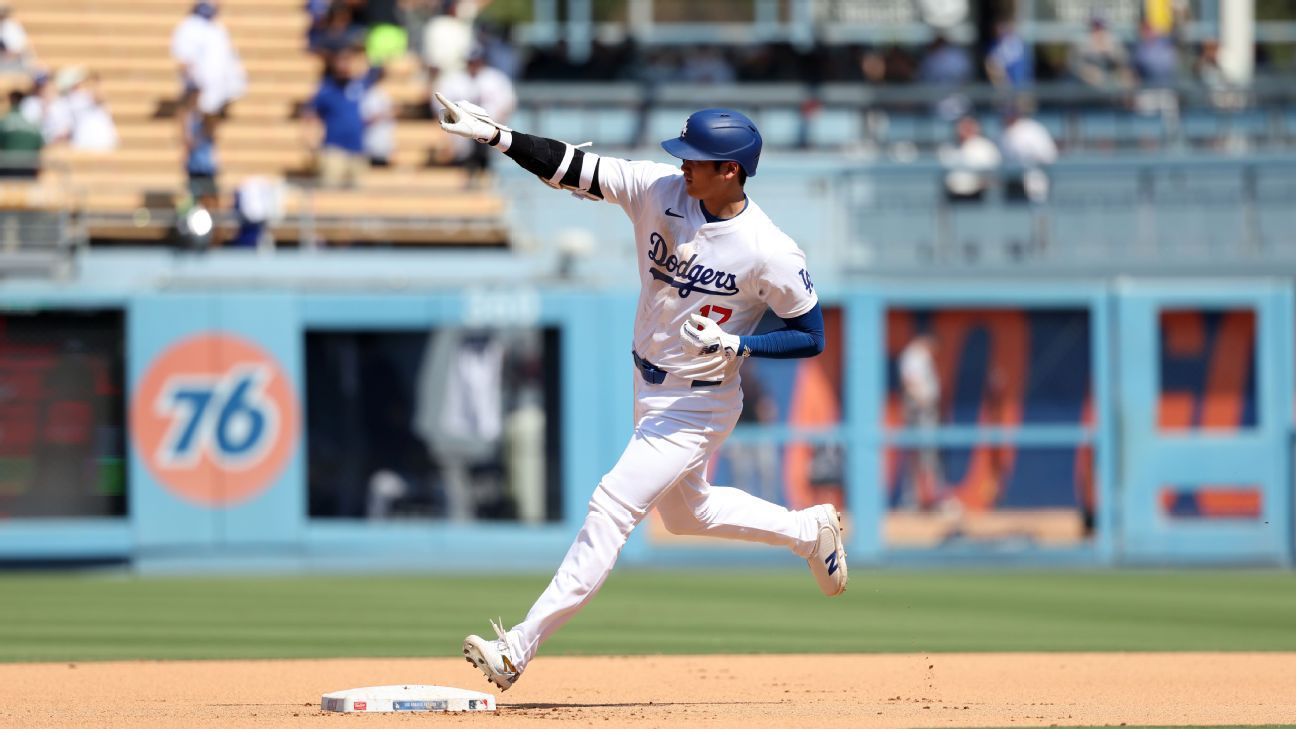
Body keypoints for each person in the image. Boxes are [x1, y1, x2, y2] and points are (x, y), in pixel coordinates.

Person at [435, 97, 848, 691]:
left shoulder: (769, 250)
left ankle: (517, 647)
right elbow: (571, 168)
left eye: (695, 159)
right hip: (649, 384)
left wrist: (739, 346)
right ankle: (810, 533)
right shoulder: (658, 190)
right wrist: (499, 136)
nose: (682, 165)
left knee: (611, 507)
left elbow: (812, 335)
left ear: (729, 170)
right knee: (688, 513)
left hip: (700, 401)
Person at [303, 44, 379, 187]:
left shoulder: (360, 85)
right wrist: (310, 141)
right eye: (342, 61)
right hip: (334, 150)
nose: (345, 65)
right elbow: (310, 115)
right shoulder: (327, 89)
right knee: (330, 192)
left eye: (348, 60)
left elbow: (378, 69)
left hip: (358, 150)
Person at [435, 45, 515, 181]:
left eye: (476, 61)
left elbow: (508, 103)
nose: (473, 65)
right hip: (461, 131)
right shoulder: (453, 80)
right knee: (464, 157)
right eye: (470, 61)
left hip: (490, 128)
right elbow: (438, 105)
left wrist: (498, 125)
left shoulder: (495, 78)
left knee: (488, 160)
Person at [898, 334, 943, 511]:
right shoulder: (914, 355)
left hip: (925, 411)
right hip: (920, 412)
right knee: (922, 457)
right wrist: (923, 402)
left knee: (928, 456)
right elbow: (910, 383)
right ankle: (915, 500)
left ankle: (929, 498)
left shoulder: (921, 356)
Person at [940, 116, 1001, 202]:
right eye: (962, 125)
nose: (965, 128)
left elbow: (994, 176)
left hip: (978, 196)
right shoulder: (948, 147)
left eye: (969, 125)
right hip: (952, 196)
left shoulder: (986, 147)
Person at [1068, 17, 1134, 90]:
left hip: (1110, 82)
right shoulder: (1081, 42)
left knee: (1127, 78)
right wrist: (1087, 71)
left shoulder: (1113, 41)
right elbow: (1073, 64)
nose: (1099, 30)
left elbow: (1124, 63)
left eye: (1101, 27)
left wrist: (1111, 53)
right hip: (1084, 85)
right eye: (1096, 27)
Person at [0, 89, 43, 177]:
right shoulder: (32, 122)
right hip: (29, 168)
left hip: (7, 167)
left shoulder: (4, 122)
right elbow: (40, 143)